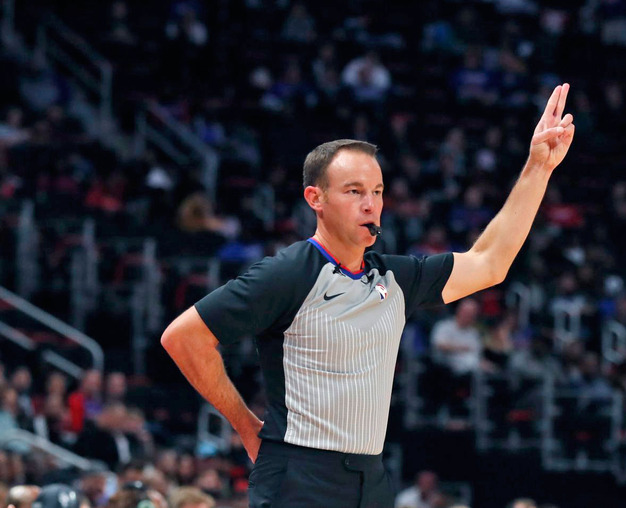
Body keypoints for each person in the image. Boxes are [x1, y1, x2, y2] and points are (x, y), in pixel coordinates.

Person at [161, 84, 575, 507]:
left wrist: (538, 168)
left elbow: (489, 263)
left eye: (377, 191)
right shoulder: (290, 273)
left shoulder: (395, 277)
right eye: (354, 191)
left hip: (370, 477)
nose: (370, 204)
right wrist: (247, 427)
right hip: (300, 476)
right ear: (315, 198)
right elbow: (184, 337)